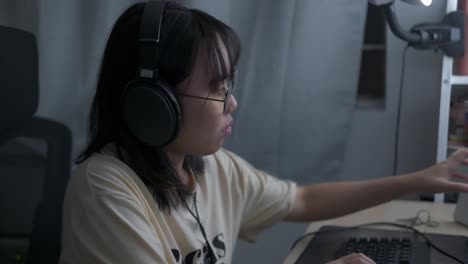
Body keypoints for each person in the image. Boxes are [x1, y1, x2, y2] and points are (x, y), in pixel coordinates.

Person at [59, 1, 468, 264]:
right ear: (153, 103)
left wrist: (420, 179)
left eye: (229, 87)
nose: (232, 103)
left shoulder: (213, 169)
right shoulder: (105, 188)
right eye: (217, 90)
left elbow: (303, 200)